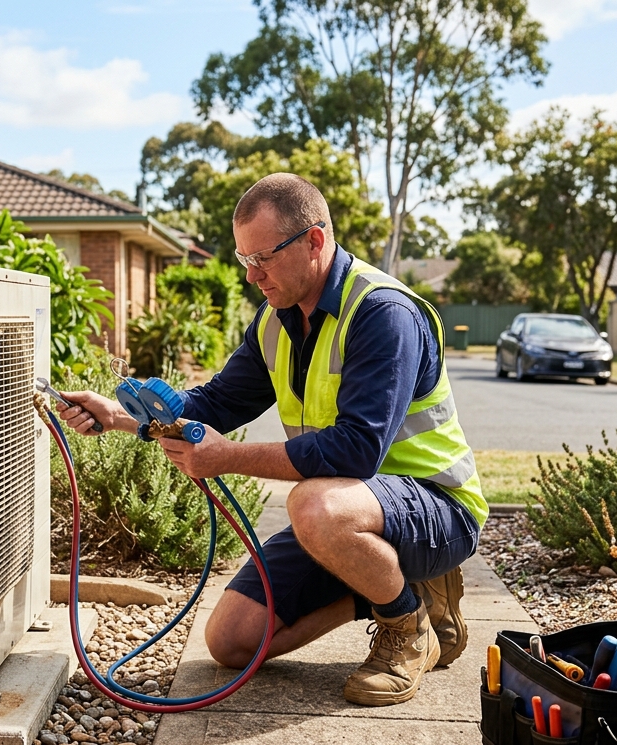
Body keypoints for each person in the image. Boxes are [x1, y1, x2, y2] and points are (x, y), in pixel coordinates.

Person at [56, 173, 487, 706]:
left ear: (314, 240)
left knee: (312, 503)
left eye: (264, 257)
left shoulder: (383, 315)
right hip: (348, 515)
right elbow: (213, 404)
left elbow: (356, 450)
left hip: (436, 508)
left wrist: (227, 457)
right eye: (244, 260)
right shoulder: (275, 321)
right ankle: (397, 591)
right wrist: (121, 415)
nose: (252, 275)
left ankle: (406, 629)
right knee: (231, 642)